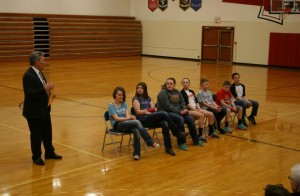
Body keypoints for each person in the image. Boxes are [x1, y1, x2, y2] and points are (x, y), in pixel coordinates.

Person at [22, 51, 62, 166]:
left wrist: (50, 93)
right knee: (36, 135)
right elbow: (30, 94)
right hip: (34, 112)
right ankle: (36, 156)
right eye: (43, 60)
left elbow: (41, 89)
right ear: (36, 62)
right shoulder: (28, 75)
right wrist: (45, 89)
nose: (45, 62)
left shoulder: (39, 73)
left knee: (47, 132)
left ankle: (49, 152)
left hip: (44, 109)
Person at [132, 82, 186, 156]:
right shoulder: (135, 99)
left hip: (150, 117)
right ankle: (176, 132)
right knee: (164, 113)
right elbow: (138, 112)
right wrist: (146, 110)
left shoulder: (149, 98)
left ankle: (168, 148)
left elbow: (154, 109)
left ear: (145, 89)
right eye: (138, 88)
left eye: (141, 88)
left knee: (165, 123)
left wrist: (149, 110)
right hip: (142, 120)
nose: (139, 90)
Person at [108, 86, 159, 160]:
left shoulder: (124, 103)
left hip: (125, 123)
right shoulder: (111, 105)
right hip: (117, 125)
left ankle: (136, 154)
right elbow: (116, 118)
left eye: (122, 95)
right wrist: (129, 118)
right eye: (119, 95)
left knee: (136, 130)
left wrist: (130, 117)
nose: (121, 96)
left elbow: (127, 115)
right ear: (115, 95)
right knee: (137, 122)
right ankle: (149, 142)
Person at [157, 77, 203, 151]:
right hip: (166, 112)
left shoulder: (177, 92)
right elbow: (167, 106)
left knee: (190, 119)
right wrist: (179, 112)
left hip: (178, 112)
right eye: (167, 83)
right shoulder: (162, 93)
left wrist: (184, 109)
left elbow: (182, 102)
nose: (169, 85)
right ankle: (181, 143)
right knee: (180, 119)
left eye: (171, 83)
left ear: (174, 84)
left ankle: (196, 140)